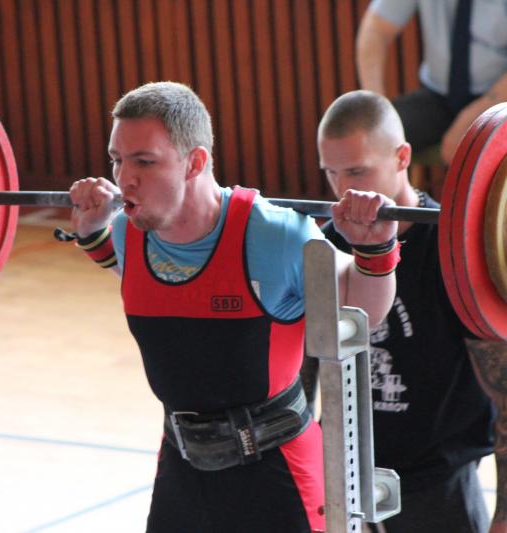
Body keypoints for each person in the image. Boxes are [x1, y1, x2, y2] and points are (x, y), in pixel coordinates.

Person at [69, 81, 399, 533]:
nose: (124, 178)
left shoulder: (277, 236)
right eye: (117, 159)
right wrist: (93, 236)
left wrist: (374, 249)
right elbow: (145, 282)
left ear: (195, 162)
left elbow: (363, 311)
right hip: (184, 471)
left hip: (278, 478)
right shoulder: (129, 231)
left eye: (144, 161)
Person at [314, 90, 507, 533]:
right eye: (330, 173)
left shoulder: (455, 255)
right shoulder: (326, 247)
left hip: (439, 486)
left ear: (402, 157)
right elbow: (301, 380)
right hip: (345, 479)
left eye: (356, 171)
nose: (342, 190)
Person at [356, 0, 507, 164]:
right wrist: (378, 106)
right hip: (440, 97)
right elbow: (375, 30)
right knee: (373, 138)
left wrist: (471, 122)